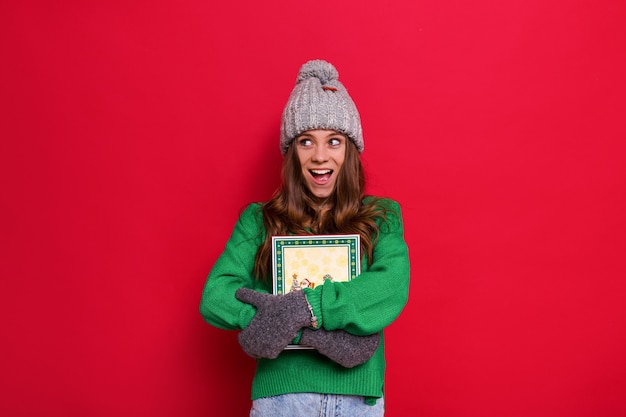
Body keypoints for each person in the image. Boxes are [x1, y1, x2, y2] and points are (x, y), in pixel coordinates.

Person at [200, 59, 410, 417]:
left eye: (334, 141)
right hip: (283, 399)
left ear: (350, 150)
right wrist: (289, 326)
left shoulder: (382, 216)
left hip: (359, 401)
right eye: (305, 141)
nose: (320, 156)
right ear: (292, 152)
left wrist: (304, 308)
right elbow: (215, 296)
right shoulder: (258, 220)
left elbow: (391, 287)